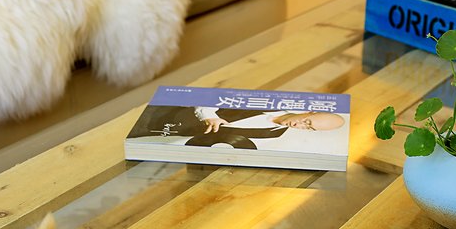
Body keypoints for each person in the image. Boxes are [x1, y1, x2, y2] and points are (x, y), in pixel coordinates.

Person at [127, 105, 345, 139]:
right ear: (310, 110)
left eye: (308, 128)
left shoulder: (273, 134)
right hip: (160, 112)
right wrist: (208, 115)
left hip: (166, 134)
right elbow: (210, 94)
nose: (300, 126)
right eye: (307, 120)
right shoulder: (269, 102)